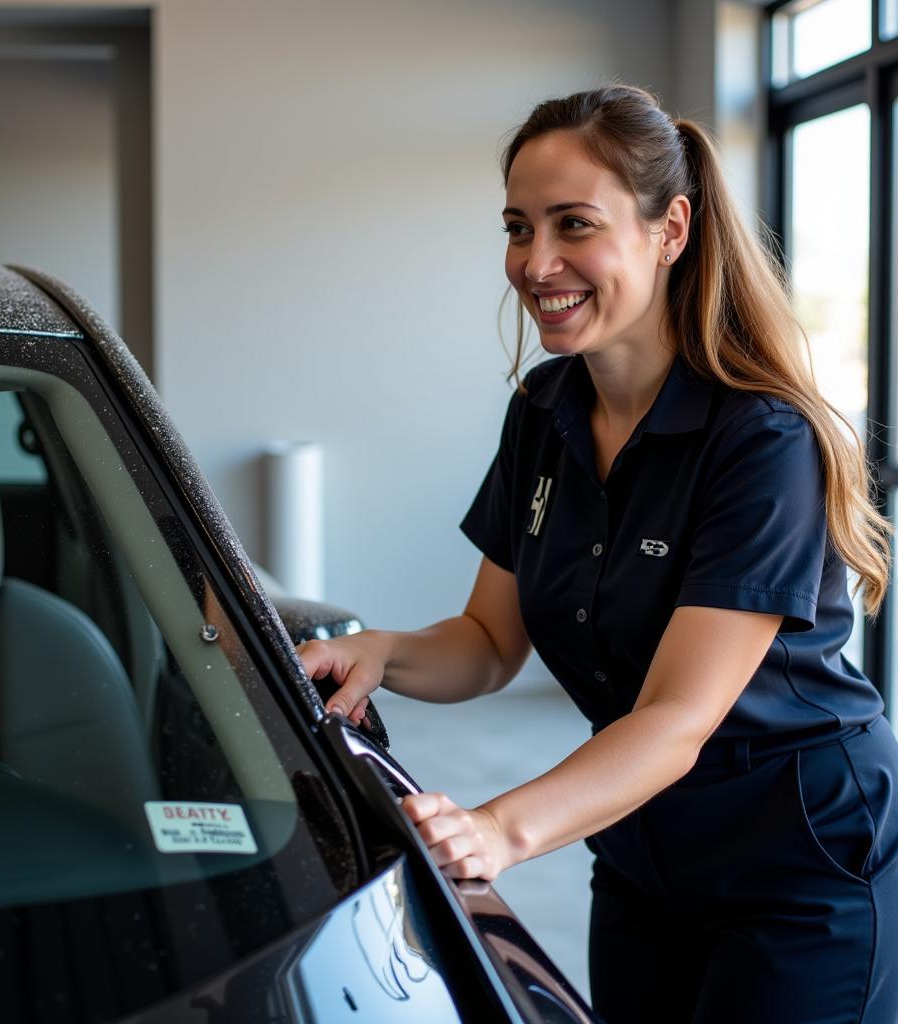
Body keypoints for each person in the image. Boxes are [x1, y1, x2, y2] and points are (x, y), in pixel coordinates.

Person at [297, 84, 898, 1023]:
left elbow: (675, 719)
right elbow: (489, 642)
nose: (537, 264)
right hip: (635, 843)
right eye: (517, 227)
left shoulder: (761, 441)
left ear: (670, 230)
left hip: (798, 860)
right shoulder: (543, 410)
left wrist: (498, 829)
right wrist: (381, 650)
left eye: (574, 225)